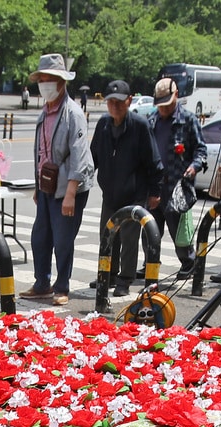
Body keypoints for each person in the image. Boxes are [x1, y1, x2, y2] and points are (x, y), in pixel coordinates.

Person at [19, 54, 95, 306]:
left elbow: (80, 156)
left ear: (62, 82)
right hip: (48, 185)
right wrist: (38, 185)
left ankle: (62, 285)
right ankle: (42, 283)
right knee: (40, 236)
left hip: (69, 187)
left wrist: (71, 193)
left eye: (49, 80)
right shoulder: (45, 112)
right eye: (41, 80)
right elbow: (40, 152)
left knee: (63, 239)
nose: (44, 85)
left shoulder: (72, 113)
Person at [89, 79, 162, 298]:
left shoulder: (140, 125)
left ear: (129, 101)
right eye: (111, 102)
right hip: (110, 193)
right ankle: (107, 275)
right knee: (108, 237)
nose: (115, 106)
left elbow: (154, 162)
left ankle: (124, 279)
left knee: (129, 240)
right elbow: (93, 157)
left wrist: (155, 191)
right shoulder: (103, 124)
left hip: (134, 194)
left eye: (119, 102)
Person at [148, 75, 206, 278]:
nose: (163, 109)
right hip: (155, 186)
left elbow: (201, 150)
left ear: (176, 96)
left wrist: (194, 167)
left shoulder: (188, 120)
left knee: (179, 232)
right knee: (150, 231)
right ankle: (150, 263)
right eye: (160, 105)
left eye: (167, 104)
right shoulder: (152, 120)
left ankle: (188, 264)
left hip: (177, 187)